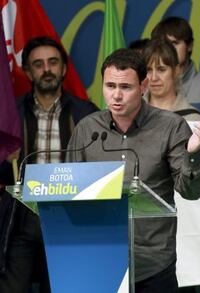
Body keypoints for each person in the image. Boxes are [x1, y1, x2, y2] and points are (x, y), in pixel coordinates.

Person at [66, 48, 200, 292]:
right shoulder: (87, 128)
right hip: (99, 259)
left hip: (153, 263)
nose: (116, 95)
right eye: (110, 85)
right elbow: (69, 191)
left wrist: (193, 153)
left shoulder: (170, 126)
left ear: (143, 86)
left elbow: (190, 192)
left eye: (125, 87)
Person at [0, 36, 98, 292]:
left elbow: (101, 165)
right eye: (39, 64)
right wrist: (4, 155)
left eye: (53, 63)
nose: (47, 70)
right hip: (21, 218)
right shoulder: (12, 115)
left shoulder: (85, 113)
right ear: (28, 72)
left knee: (63, 288)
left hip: (69, 218)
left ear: (64, 68)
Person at [151, 16, 200, 120]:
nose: (168, 49)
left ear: (190, 45)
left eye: (174, 43)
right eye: (163, 44)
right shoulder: (144, 87)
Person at [142, 38, 200, 121]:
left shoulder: (192, 118)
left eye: (161, 70)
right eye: (148, 70)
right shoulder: (131, 113)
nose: (154, 78)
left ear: (176, 71)